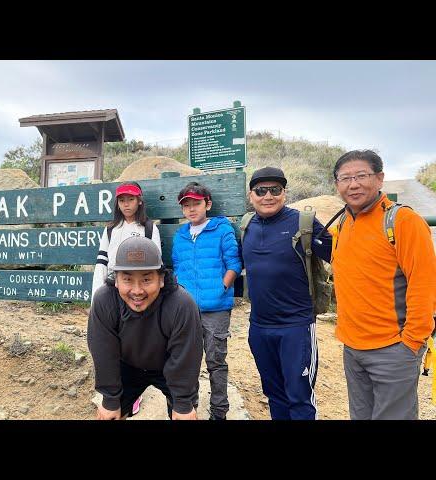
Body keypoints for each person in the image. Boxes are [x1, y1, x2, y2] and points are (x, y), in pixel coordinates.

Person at [331, 150, 436, 420]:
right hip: (352, 349)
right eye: (345, 178)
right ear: (337, 185)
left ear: (379, 179)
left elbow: (424, 285)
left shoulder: (403, 221)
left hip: (393, 348)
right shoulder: (342, 223)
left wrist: (411, 342)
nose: (353, 184)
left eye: (361, 176)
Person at [241, 167, 332, 420]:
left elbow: (341, 255)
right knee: (274, 393)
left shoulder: (304, 223)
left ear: (285, 193)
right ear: (251, 195)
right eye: (261, 190)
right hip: (259, 327)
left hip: (296, 326)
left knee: (299, 396)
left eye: (275, 190)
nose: (267, 196)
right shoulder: (246, 225)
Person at [87, 236, 203, 420]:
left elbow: (186, 355)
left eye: (147, 279)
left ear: (162, 279)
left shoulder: (182, 304)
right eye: (127, 279)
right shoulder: (104, 300)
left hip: (169, 364)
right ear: (116, 279)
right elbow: (103, 351)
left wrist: (182, 403)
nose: (137, 290)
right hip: (128, 366)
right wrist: (109, 398)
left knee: (184, 415)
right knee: (109, 415)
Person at [171, 181, 242, 420]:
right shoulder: (180, 235)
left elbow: (234, 263)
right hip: (187, 310)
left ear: (207, 204)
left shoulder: (222, 230)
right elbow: (177, 267)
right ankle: (189, 408)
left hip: (217, 309)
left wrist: (222, 287)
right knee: (188, 362)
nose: (191, 209)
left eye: (196, 203)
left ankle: (219, 412)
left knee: (216, 362)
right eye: (186, 205)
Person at [91, 181, 162, 415]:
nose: (126, 204)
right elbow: (102, 263)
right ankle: (118, 393)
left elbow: (155, 266)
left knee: (135, 342)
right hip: (114, 292)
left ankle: (135, 394)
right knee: (114, 342)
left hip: (138, 293)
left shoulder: (149, 229)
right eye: (122, 200)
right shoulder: (111, 229)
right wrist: (97, 297)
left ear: (139, 201)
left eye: (131, 199)